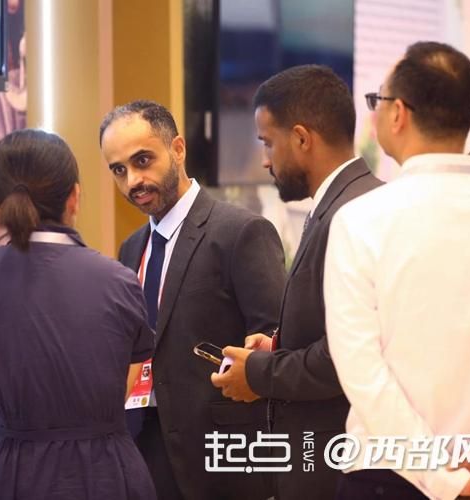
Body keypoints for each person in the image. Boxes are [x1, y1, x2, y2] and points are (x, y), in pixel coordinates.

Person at [324, 41, 470, 500]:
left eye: (377, 100)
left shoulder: (359, 220)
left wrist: (443, 477)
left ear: (398, 113)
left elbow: (363, 373)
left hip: (386, 478)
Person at [0, 129, 156, 500]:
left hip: (7, 476)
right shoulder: (120, 281)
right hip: (107, 475)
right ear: (74, 196)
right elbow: (118, 391)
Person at [209, 65, 382, 500]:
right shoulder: (352, 202)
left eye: (268, 142)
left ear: (302, 138)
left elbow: (344, 356)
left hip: (338, 463)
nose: (265, 160)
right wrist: (280, 344)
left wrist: (258, 373)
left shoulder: (349, 214)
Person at [99, 100, 286, 500]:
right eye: (119, 170)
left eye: (142, 160)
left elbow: (277, 344)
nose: (133, 181)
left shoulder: (240, 232)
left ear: (178, 149)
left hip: (221, 460)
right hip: (142, 448)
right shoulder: (131, 248)